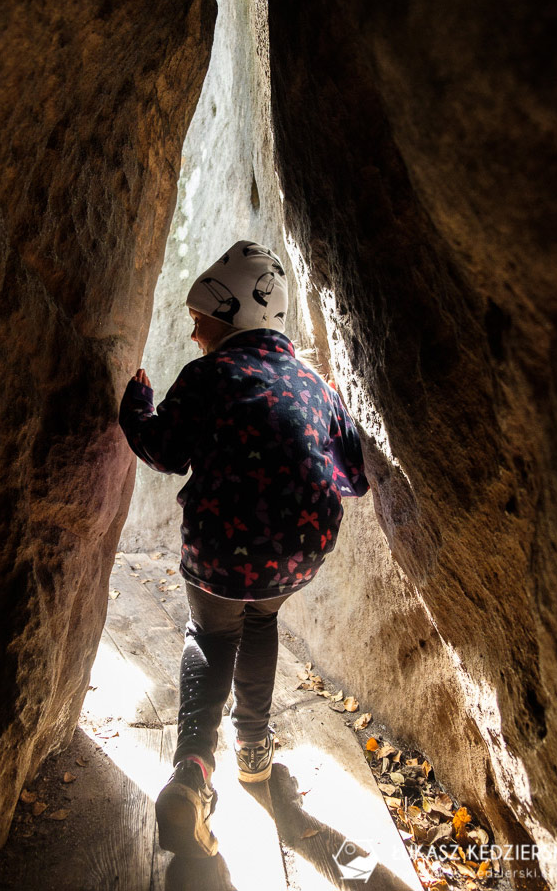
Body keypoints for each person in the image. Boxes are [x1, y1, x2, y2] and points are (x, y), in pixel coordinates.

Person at [118, 240, 368, 856]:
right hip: (300, 553)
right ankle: (254, 749)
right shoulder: (315, 384)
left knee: (210, 635)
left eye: (202, 316)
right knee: (260, 616)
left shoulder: (208, 375)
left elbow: (166, 452)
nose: (194, 327)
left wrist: (135, 408)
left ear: (233, 317)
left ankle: (193, 772)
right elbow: (354, 479)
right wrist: (343, 412)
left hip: (221, 551)